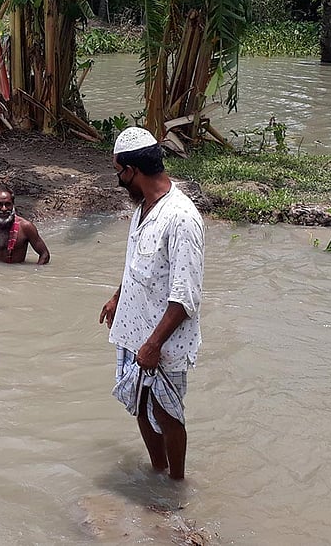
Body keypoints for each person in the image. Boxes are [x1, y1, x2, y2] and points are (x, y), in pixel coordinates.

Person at [98, 127, 204, 480]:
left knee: (167, 412)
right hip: (134, 329)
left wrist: (154, 344)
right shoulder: (143, 208)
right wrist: (117, 297)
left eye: (118, 172)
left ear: (132, 170)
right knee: (140, 405)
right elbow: (137, 265)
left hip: (162, 341)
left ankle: (176, 483)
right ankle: (157, 473)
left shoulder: (181, 218)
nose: (118, 181)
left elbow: (185, 295)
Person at [0, 188, 51, 265]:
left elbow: (44, 255)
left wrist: (34, 275)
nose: (4, 209)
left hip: (16, 277)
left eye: (8, 204)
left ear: (13, 205)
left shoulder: (26, 227)